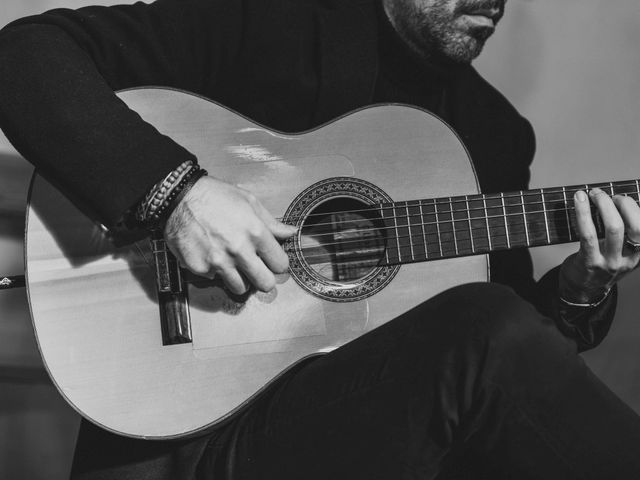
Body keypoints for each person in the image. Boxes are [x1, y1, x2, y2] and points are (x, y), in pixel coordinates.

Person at [1, 0, 640, 478]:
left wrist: (581, 291)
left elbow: (506, 365)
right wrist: (176, 197)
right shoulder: (269, 20)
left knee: (488, 326)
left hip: (358, 431)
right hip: (186, 442)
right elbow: (23, 54)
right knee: (485, 325)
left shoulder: (495, 132)